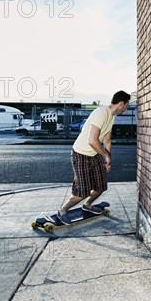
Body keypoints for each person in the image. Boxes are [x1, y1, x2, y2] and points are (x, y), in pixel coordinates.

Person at [49, 90, 131, 225]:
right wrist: (105, 154)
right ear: (121, 104)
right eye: (127, 105)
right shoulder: (101, 113)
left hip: (94, 154)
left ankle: (88, 205)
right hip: (80, 154)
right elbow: (92, 141)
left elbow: (107, 140)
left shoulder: (111, 117)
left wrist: (108, 158)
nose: (126, 108)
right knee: (82, 192)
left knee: (100, 186)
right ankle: (63, 210)